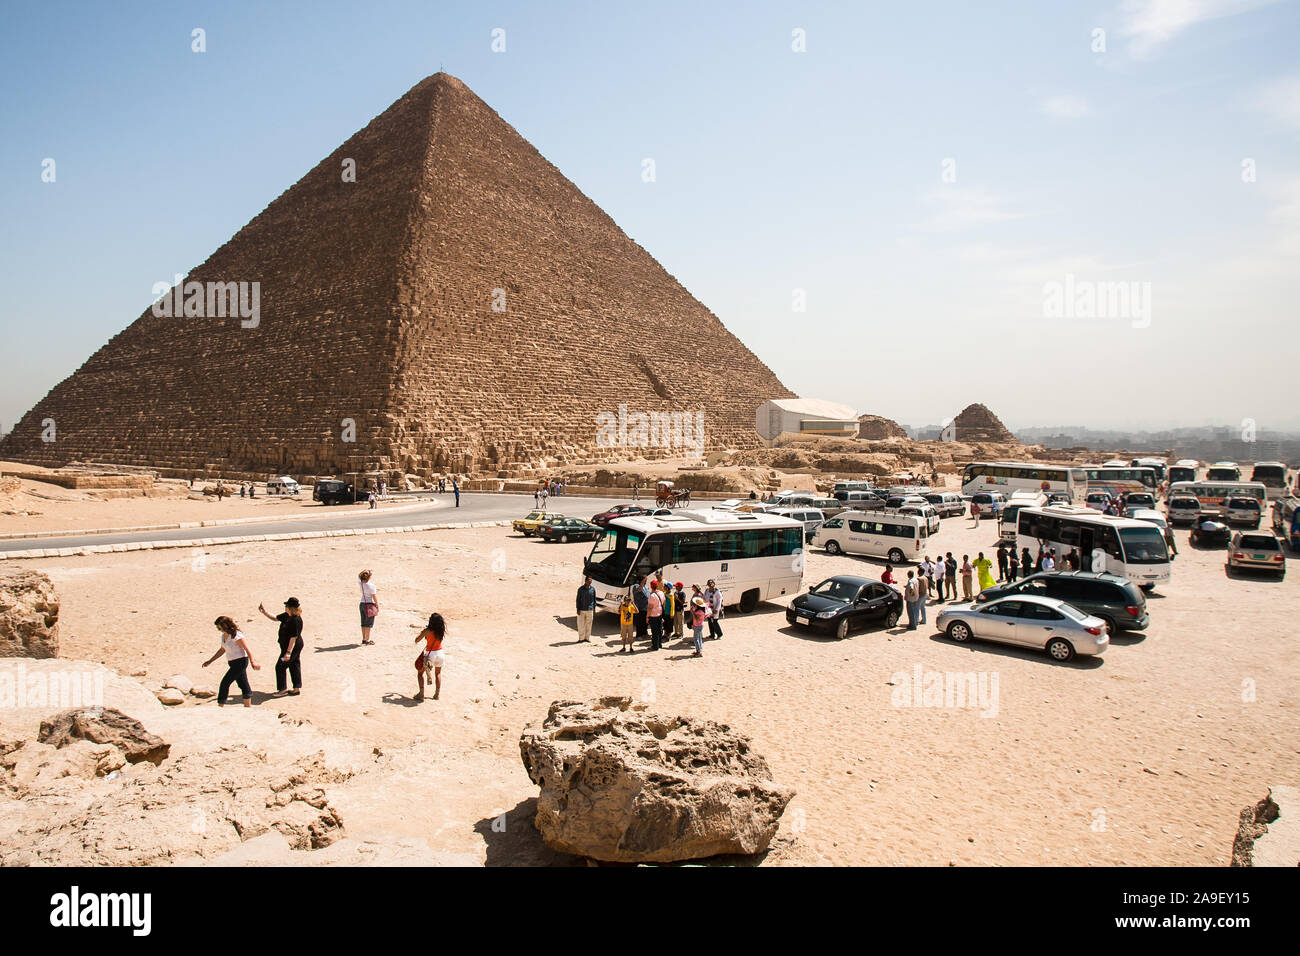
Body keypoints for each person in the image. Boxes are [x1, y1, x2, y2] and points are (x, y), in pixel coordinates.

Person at [203, 616, 259, 707]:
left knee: (225, 682)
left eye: (219, 627)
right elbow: (222, 649)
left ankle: (220, 705)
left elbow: (247, 649)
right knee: (243, 683)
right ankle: (248, 706)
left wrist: (253, 662)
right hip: (232, 663)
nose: (218, 629)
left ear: (224, 625)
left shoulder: (236, 635)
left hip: (241, 662)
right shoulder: (223, 635)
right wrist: (210, 661)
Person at [258, 597, 303, 697]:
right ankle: (296, 688)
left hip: (292, 647)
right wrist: (264, 612)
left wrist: (288, 652)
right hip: (291, 646)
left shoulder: (295, 620)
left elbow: (293, 638)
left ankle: (282, 690)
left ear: (291, 608)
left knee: (280, 667)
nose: (285, 607)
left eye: (286, 606)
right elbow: (275, 618)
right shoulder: (287, 615)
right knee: (294, 664)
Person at [413, 612, 446, 701]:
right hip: (440, 653)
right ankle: (437, 694)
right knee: (438, 673)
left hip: (430, 654)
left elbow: (417, 640)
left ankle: (421, 694)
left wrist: (422, 633)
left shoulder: (427, 631)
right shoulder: (441, 630)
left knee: (420, 673)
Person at [358, 570, 378, 645]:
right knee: (368, 624)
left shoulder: (361, 584)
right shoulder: (371, 586)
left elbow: (358, 577)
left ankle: (364, 638)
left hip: (362, 604)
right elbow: (374, 596)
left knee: (363, 623)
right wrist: (377, 605)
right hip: (369, 605)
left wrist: (364, 572)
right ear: (369, 577)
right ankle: (368, 639)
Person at [575, 575, 596, 643]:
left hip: (590, 609)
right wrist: (578, 609)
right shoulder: (580, 589)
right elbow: (578, 600)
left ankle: (587, 638)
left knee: (589, 624)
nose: (590, 582)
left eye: (591, 581)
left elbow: (594, 600)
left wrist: (594, 609)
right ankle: (581, 638)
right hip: (582, 609)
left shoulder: (593, 589)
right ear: (585, 581)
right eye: (589, 580)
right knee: (581, 624)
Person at [647, 581, 664, 651]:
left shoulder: (652, 596)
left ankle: (655, 646)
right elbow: (664, 602)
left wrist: (647, 617)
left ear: (651, 586)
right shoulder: (661, 593)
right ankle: (659, 644)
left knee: (654, 631)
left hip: (653, 615)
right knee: (659, 630)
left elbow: (650, 608)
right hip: (660, 614)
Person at [632, 575, 649, 641]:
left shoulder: (646, 587)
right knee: (639, 622)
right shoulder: (636, 586)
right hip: (639, 608)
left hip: (646, 607)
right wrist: (642, 583)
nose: (646, 581)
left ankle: (644, 633)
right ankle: (639, 635)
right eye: (645, 579)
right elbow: (639, 590)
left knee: (645, 622)